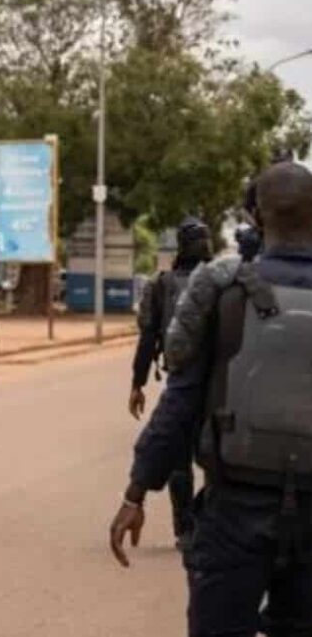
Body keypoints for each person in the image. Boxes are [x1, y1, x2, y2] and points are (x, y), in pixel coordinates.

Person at [109, 162, 312, 636]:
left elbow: (179, 405)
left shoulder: (221, 292)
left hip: (233, 514)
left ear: (254, 218)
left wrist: (136, 492)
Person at [128, 216, 212, 551]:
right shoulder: (224, 281)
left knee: (179, 462)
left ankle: (185, 528)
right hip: (219, 385)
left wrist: (137, 384)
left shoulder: (162, 284)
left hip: (180, 383)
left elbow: (148, 338)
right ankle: (202, 526)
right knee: (217, 461)